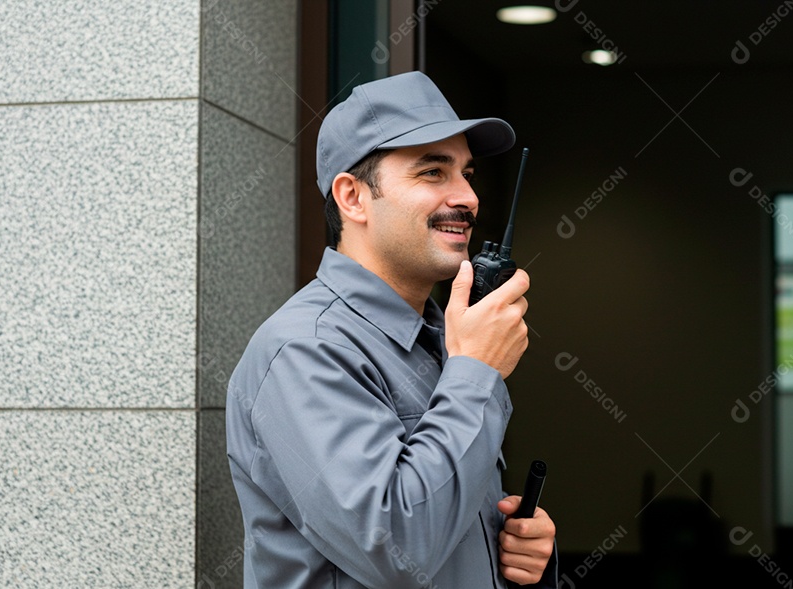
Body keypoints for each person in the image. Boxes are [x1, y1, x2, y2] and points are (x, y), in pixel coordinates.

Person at [226, 71, 558, 588]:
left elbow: (438, 519)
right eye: (433, 172)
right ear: (353, 197)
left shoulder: (445, 338)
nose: (468, 196)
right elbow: (395, 548)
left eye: (467, 173)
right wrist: (477, 372)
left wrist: (512, 551)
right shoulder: (305, 348)